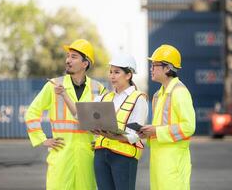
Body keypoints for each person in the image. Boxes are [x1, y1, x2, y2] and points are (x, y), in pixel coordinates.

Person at [55, 54, 148, 190]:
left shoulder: (139, 98)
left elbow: (136, 134)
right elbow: (79, 115)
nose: (112, 76)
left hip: (124, 157)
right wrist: (64, 94)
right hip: (101, 155)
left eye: (117, 72)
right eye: (110, 72)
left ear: (128, 75)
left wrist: (115, 136)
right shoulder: (104, 97)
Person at [24, 39, 106, 190]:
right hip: (61, 155)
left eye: (73, 56)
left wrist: (100, 140)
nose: (68, 60)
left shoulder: (98, 88)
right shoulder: (53, 85)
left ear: (85, 63)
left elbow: (104, 122)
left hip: (87, 157)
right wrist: (42, 139)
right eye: (68, 56)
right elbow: (32, 112)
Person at [139, 44, 196, 190]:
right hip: (158, 160)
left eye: (155, 65)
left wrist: (156, 131)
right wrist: (147, 132)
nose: (151, 68)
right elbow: (159, 127)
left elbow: (189, 127)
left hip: (173, 161)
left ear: (167, 68)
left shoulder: (180, 92)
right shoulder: (158, 95)